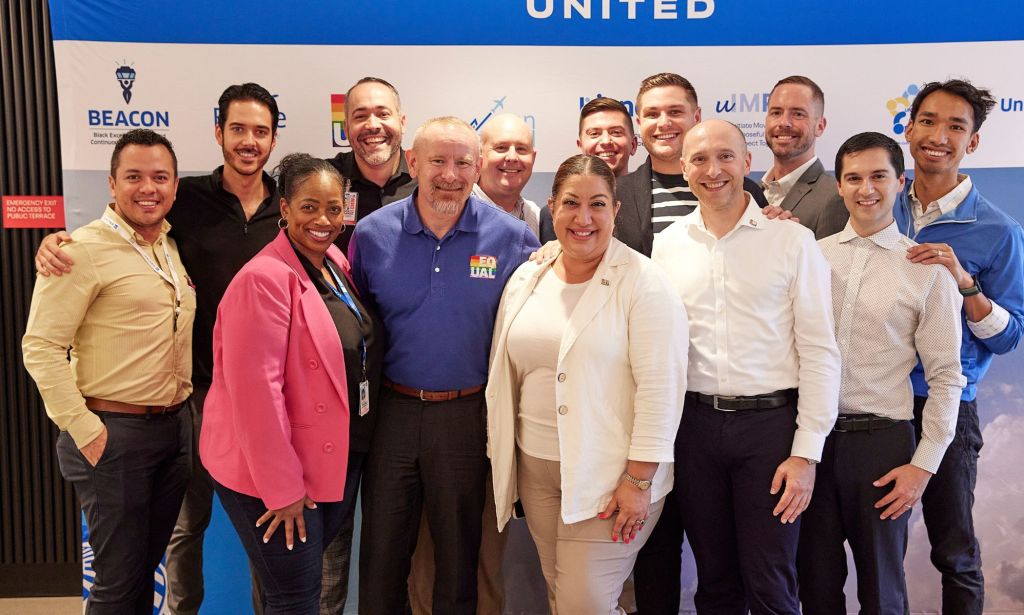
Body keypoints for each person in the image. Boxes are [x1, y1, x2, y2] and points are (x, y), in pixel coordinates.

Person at [351, 116, 539, 615]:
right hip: (392, 412)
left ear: (478, 168)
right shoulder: (371, 236)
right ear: (412, 162)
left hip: (466, 416)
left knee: (459, 562)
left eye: (462, 163)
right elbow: (357, 329)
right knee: (382, 558)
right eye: (437, 161)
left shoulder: (514, 239)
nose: (450, 175)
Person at [651, 119, 840, 614]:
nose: (713, 171)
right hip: (693, 430)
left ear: (747, 162)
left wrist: (806, 454)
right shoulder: (668, 245)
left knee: (772, 583)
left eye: (725, 156)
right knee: (714, 582)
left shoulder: (791, 242)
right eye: (699, 159)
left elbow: (821, 351)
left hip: (771, 431)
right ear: (684, 169)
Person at [487, 154, 688, 613]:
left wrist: (638, 480)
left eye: (598, 204)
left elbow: (663, 390)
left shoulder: (646, 284)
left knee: (585, 604)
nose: (583, 218)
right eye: (571, 203)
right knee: (562, 594)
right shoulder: (527, 277)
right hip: (537, 468)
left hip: (611, 476)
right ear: (552, 207)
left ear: (616, 211)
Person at [200, 153, 382, 614]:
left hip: (330, 460)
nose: (323, 220)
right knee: (294, 597)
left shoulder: (334, 261)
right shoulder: (262, 280)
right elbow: (255, 396)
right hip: (276, 481)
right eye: (308, 207)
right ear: (284, 208)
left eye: (334, 208)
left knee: (300, 591)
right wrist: (281, 491)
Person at [23, 128, 195, 614]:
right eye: (134, 176)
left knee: (141, 574)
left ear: (176, 186)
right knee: (117, 587)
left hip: (170, 429)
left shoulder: (168, 246)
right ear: (111, 184)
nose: (148, 188)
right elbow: (40, 346)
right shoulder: (79, 251)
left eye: (160, 177)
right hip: (112, 435)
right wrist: (85, 430)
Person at [799, 132, 965, 614]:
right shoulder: (810, 257)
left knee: (883, 592)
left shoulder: (927, 270)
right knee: (814, 586)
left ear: (900, 182)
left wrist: (924, 464)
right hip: (810, 443)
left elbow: (948, 376)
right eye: (853, 178)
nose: (865, 188)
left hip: (882, 448)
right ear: (839, 186)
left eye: (878, 176)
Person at [894, 78, 1024, 614]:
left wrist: (963, 282)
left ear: (971, 143)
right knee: (879, 549)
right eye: (928, 121)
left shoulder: (998, 230)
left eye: (956, 126)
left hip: (948, 404)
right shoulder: (878, 203)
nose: (938, 135)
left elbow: (1012, 333)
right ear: (908, 128)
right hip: (874, 401)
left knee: (955, 551)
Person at [615, 73, 768, 257]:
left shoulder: (745, 190)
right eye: (652, 114)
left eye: (675, 112)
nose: (664, 123)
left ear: (697, 117)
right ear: (639, 123)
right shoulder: (617, 194)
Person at [327, 76, 416, 253]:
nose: (373, 125)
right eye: (360, 116)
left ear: (402, 123)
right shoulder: (325, 179)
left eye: (383, 114)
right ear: (346, 129)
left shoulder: (427, 178)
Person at [540, 97, 637, 243]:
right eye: (594, 134)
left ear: (634, 144)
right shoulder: (554, 213)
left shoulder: (650, 202)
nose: (605, 142)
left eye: (616, 132)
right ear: (580, 146)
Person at [761, 75, 848, 239]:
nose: (784, 122)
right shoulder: (748, 191)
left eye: (798, 114)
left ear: (820, 126)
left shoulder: (836, 197)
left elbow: (830, 264)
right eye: (776, 112)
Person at [472, 112, 541, 236]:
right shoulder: (457, 208)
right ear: (479, 156)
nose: (512, 157)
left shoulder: (536, 217)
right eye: (501, 148)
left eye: (521, 149)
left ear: (533, 158)